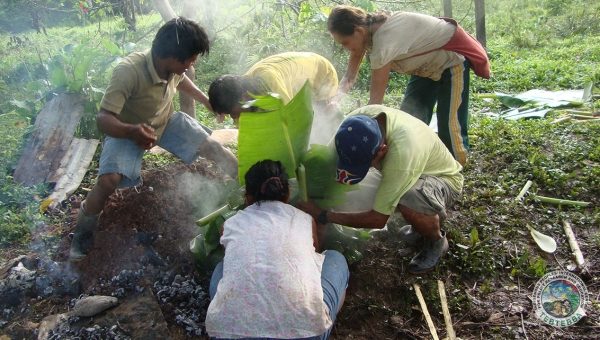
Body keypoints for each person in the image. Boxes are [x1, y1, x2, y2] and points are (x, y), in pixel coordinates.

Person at [69, 17, 238, 261]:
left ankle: (247, 190)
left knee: (213, 147)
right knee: (108, 181)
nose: (193, 63)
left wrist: (206, 100)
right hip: (128, 130)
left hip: (165, 122)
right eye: (191, 58)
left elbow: (183, 81)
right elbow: (103, 118)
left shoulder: (173, 68)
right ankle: (81, 237)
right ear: (172, 56)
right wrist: (130, 131)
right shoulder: (128, 71)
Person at [297, 105, 464, 274]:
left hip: (443, 180)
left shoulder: (400, 157)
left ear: (382, 150)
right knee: (363, 190)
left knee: (409, 199)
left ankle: (436, 241)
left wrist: (324, 215)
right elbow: (327, 162)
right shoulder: (353, 126)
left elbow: (378, 219)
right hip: (413, 170)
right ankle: (429, 214)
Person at [326, 5, 491, 165]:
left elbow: (375, 104)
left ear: (358, 31)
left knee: (449, 124)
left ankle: (455, 168)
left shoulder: (384, 39)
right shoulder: (365, 33)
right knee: (410, 117)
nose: (346, 48)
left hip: (451, 61)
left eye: (344, 43)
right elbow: (348, 78)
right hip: (426, 67)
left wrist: (369, 140)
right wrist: (335, 100)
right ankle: (418, 158)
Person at [205, 160, 349, 339]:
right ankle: (327, 316)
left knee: (222, 268)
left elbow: (233, 262)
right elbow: (314, 262)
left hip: (232, 333)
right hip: (306, 335)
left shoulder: (229, 225)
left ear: (247, 197)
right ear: (288, 195)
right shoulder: (304, 219)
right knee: (335, 259)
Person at [208, 51, 339, 121]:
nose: (234, 117)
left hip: (321, 76)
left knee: (317, 124)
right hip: (303, 70)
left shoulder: (267, 82)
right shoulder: (244, 87)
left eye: (233, 113)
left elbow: (291, 118)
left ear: (244, 98)